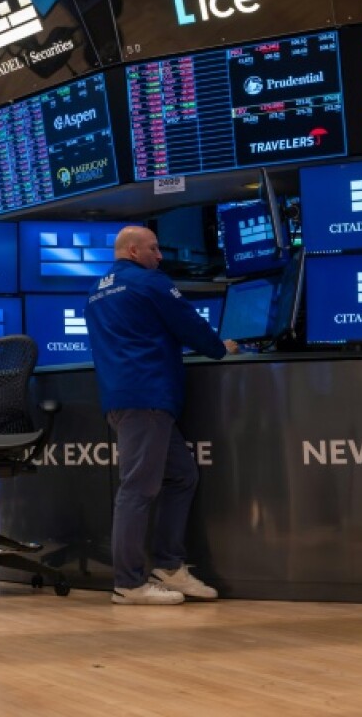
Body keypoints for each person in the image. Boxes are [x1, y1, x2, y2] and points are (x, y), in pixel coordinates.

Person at [84, 225, 238, 606]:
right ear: (133, 251)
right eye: (153, 248)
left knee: (183, 475)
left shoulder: (96, 291)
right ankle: (128, 584)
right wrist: (221, 348)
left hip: (123, 399)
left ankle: (169, 565)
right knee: (136, 490)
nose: (160, 255)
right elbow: (189, 325)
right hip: (147, 398)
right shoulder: (150, 282)